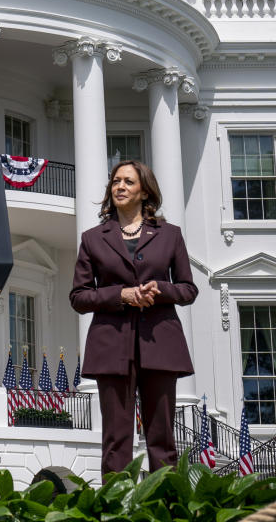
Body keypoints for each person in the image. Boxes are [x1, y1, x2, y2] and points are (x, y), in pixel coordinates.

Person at [69, 160, 197, 476]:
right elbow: (79, 297)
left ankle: (164, 506)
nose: (120, 187)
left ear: (144, 191)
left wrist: (162, 290)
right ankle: (116, 508)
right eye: (116, 181)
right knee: (116, 438)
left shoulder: (170, 235)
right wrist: (120, 295)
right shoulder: (92, 238)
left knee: (162, 438)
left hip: (160, 345)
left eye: (128, 181)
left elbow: (188, 289)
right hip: (111, 346)